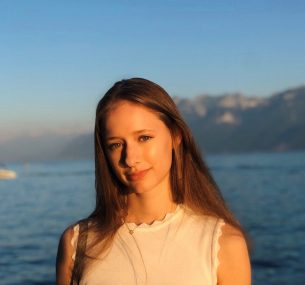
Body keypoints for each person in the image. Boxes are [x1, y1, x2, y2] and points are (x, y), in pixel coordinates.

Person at [56, 78, 251, 285]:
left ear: (176, 136)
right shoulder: (77, 243)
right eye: (116, 145)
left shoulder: (222, 244)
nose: (130, 158)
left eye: (144, 138)